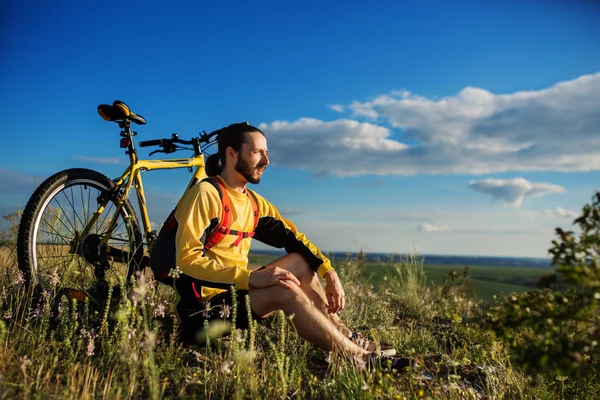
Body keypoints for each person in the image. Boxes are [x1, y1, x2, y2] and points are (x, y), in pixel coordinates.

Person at [171, 122, 400, 370]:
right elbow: (186, 260)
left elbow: (294, 239)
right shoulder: (205, 194)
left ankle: (345, 336)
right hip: (203, 312)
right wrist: (248, 279)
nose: (266, 161)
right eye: (258, 152)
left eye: (267, 153)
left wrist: (328, 272)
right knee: (285, 290)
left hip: (236, 295)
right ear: (231, 153)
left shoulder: (253, 203)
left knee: (300, 262)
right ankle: (358, 359)